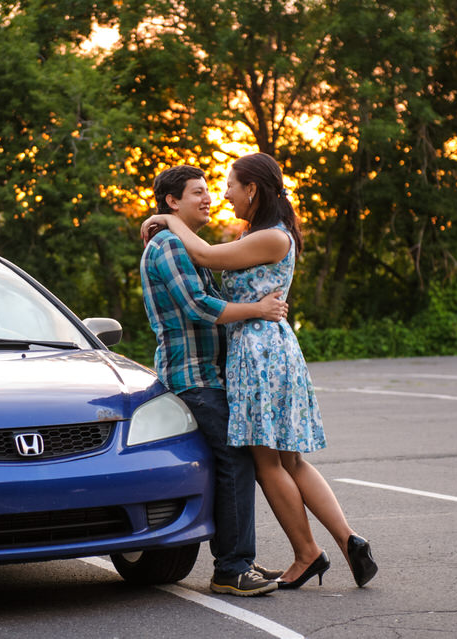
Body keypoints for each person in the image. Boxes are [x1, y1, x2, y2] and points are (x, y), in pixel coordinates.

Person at [141, 153, 378, 590]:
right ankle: (348, 542)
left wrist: (165, 219)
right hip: (265, 348)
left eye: (229, 185)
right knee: (289, 459)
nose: (222, 194)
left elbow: (207, 256)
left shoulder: (271, 236)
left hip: (258, 351)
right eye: (208, 190)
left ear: (252, 189)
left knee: (266, 461)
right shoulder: (259, 233)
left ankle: (308, 554)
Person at [140, 164, 288, 597]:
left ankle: (237, 560)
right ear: (172, 202)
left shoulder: (184, 244)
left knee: (235, 458)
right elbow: (201, 307)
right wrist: (259, 310)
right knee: (236, 457)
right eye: (198, 193)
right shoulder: (167, 245)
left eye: (211, 191)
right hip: (191, 377)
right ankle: (231, 568)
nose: (209, 198)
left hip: (211, 375)